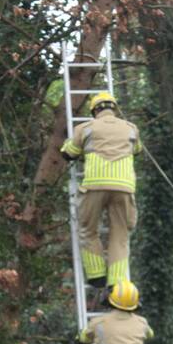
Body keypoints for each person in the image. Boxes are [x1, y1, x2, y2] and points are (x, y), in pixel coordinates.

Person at [61, 92, 143, 300]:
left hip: (94, 187)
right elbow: (138, 150)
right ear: (114, 108)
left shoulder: (85, 128)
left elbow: (68, 153)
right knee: (120, 235)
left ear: (94, 110)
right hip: (124, 188)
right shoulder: (131, 128)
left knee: (88, 229)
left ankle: (97, 275)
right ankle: (116, 282)